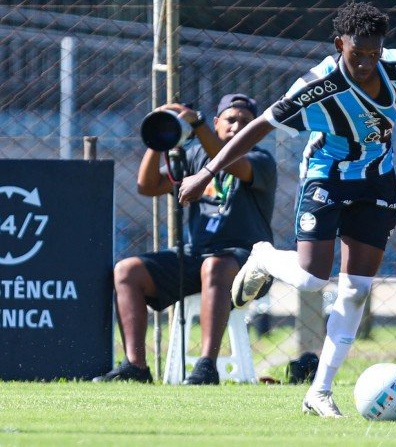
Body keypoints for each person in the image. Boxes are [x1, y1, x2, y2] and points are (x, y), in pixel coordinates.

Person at [178, 1, 396, 416]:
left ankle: (320, 392)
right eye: (356, 53)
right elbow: (260, 127)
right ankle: (264, 257)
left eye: (373, 53)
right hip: (326, 178)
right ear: (338, 44)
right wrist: (206, 172)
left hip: (377, 181)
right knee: (312, 278)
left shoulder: (395, 64)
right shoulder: (317, 84)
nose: (365, 62)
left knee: (356, 290)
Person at [94, 94, 277, 385]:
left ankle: (207, 366)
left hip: (248, 263)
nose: (237, 126)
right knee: (127, 271)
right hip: (199, 255)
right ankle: (136, 366)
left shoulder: (261, 160)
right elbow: (148, 185)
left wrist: (198, 123)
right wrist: (160, 138)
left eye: (245, 122)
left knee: (214, 266)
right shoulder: (193, 156)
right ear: (218, 122)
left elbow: (232, 165)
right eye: (231, 120)